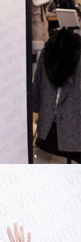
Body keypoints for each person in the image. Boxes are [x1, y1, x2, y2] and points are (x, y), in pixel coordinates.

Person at [33, 27, 81, 163]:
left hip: (48, 129)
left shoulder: (46, 53)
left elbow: (37, 85)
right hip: (74, 130)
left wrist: (35, 107)